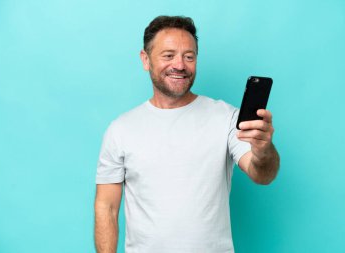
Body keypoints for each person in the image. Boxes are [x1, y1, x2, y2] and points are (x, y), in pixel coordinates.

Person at [94, 15, 280, 253]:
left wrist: (264, 150)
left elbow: (262, 174)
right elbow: (106, 207)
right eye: (168, 55)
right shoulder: (121, 130)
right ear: (145, 59)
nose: (180, 65)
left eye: (189, 56)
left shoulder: (226, 118)